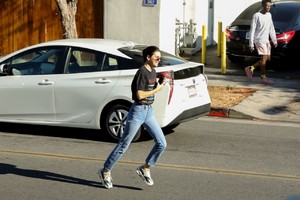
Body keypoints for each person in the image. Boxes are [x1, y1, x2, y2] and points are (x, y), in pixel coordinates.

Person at [98, 46, 167, 189]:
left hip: (149, 111)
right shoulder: (141, 72)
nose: (159, 60)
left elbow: (149, 90)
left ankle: (145, 167)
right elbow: (140, 95)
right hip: (138, 111)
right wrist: (157, 89)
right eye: (156, 58)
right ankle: (105, 171)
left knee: (162, 143)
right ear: (148, 57)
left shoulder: (153, 71)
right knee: (124, 144)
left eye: (160, 58)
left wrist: (160, 83)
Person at [245, 0, 277, 84]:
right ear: (262, 5)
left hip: (266, 40)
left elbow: (271, 28)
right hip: (259, 40)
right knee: (263, 59)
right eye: (267, 6)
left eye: (270, 6)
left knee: (268, 58)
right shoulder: (256, 15)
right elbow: (252, 30)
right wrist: (251, 43)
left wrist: (274, 40)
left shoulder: (269, 15)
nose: (268, 8)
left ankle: (250, 68)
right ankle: (263, 78)